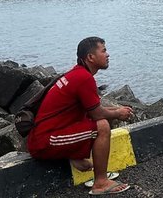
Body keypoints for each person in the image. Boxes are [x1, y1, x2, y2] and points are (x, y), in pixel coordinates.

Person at [27, 37, 133, 195]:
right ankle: (101, 183)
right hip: (45, 141)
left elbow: (93, 109)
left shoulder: (76, 73)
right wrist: (118, 113)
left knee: (95, 120)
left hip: (47, 135)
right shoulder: (84, 78)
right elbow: (97, 114)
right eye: (103, 51)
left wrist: (117, 109)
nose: (108, 54)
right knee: (102, 126)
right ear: (90, 57)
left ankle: (79, 159)